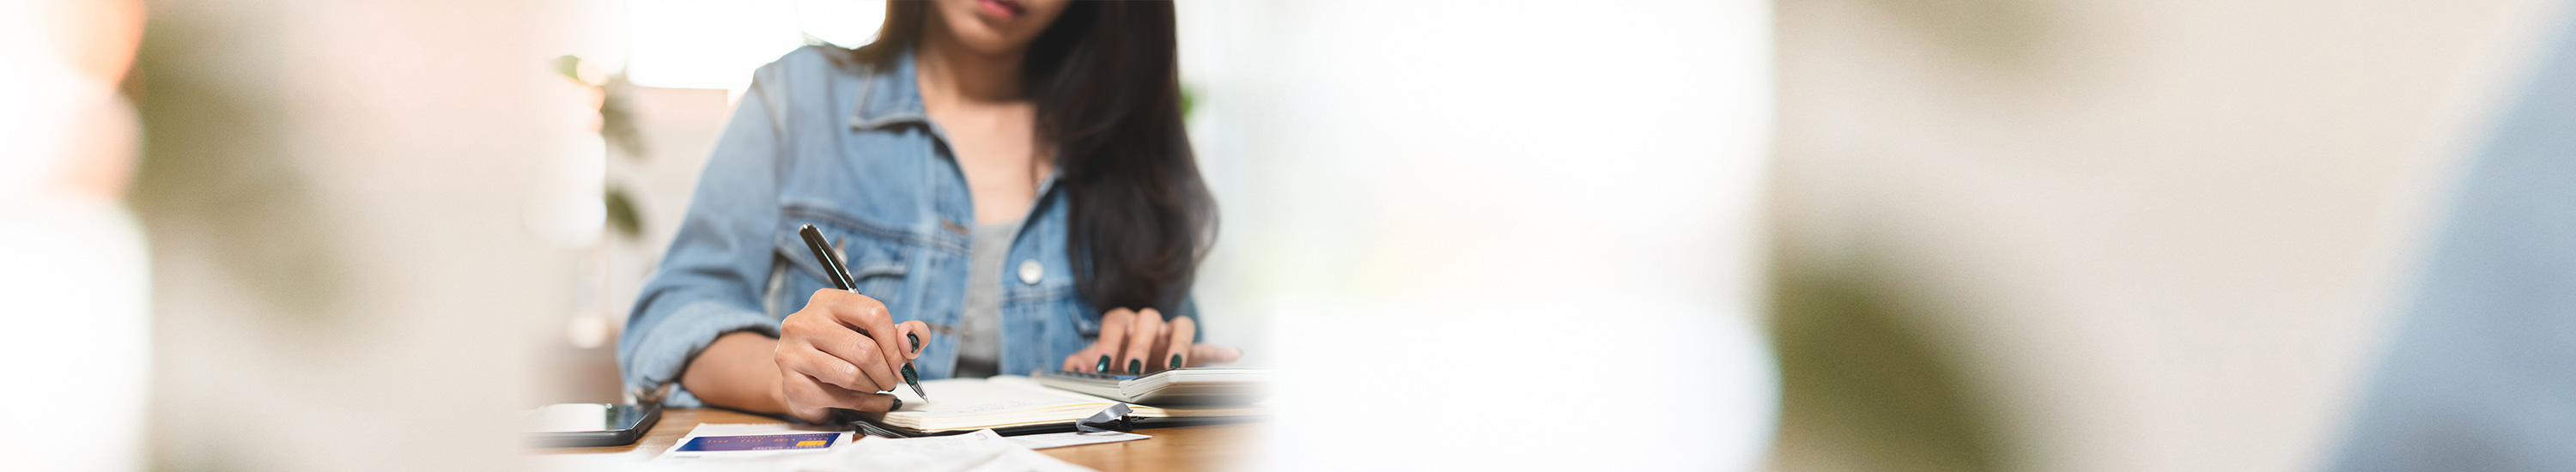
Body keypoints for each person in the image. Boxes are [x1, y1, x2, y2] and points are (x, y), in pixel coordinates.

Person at [617, 0, 1237, 424]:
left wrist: (1144, 363)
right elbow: (671, 318)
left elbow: (1171, 354)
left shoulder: (1129, 143)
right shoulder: (796, 99)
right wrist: (789, 379)